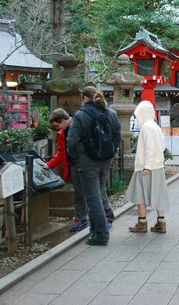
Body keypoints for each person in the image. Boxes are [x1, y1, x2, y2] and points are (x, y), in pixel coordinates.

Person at [40, 108, 115, 232]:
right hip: (75, 164)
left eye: (57, 126)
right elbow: (61, 152)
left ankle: (106, 216)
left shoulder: (80, 121)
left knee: (97, 191)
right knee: (79, 193)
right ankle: (81, 218)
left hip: (88, 162)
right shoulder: (64, 132)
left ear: (63, 120)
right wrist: (49, 164)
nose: (58, 129)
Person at [67, 87, 121, 246]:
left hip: (86, 161)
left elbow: (72, 139)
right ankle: (95, 231)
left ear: (84, 98)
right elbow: (117, 137)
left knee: (93, 198)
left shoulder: (80, 115)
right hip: (105, 160)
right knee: (98, 194)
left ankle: (101, 235)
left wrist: (74, 155)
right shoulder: (111, 113)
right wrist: (110, 153)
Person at [125, 101, 172, 233]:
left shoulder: (146, 127)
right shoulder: (155, 126)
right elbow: (162, 146)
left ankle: (142, 222)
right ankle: (161, 221)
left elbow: (149, 148)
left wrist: (146, 166)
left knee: (141, 194)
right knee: (158, 193)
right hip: (158, 166)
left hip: (146, 167)